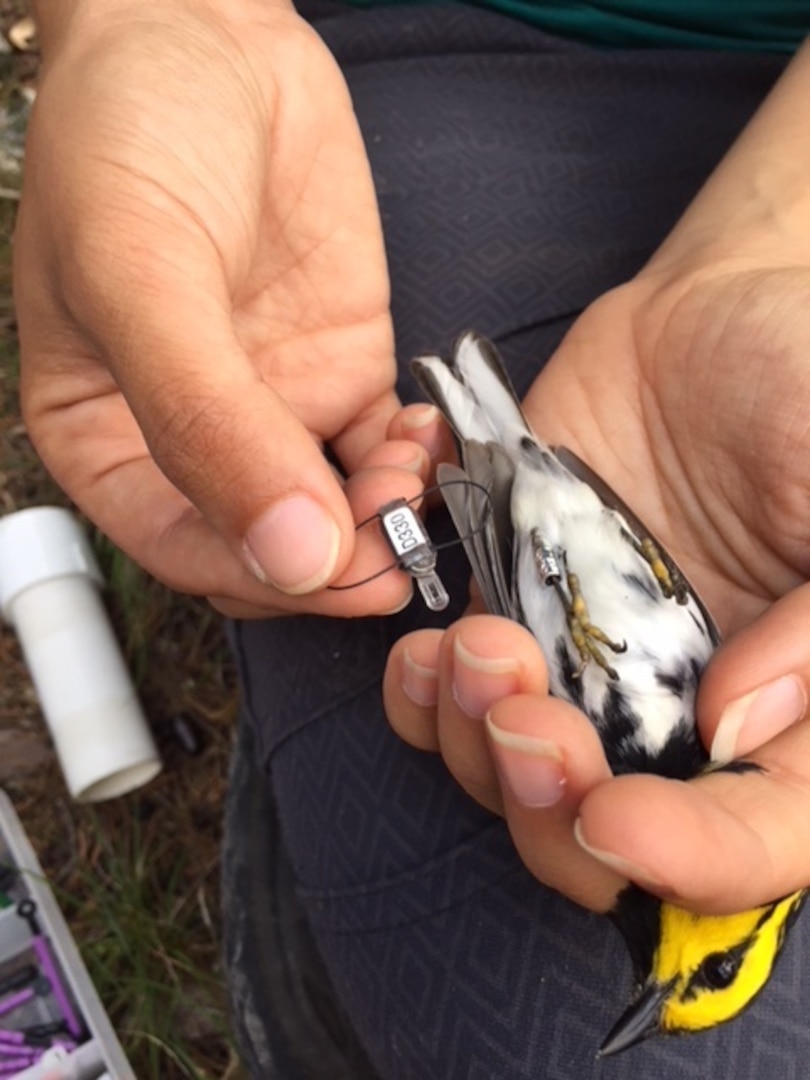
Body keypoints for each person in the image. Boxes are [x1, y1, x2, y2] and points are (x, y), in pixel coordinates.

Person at [14, 0, 810, 1075]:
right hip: (450, 51)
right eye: (700, 975)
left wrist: (760, 250)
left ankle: (326, 736)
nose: (671, 967)